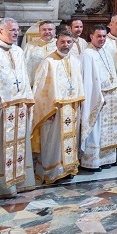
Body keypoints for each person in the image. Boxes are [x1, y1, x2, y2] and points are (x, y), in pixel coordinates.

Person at [0, 17, 36, 202]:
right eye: (12, 30)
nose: (16, 33)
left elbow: (24, 77)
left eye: (17, 30)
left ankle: (17, 183)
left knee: (19, 146)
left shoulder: (19, 51)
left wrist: (28, 101)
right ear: (0, 31)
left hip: (19, 107)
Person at [30, 30, 85, 184]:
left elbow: (79, 83)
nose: (65, 45)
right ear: (56, 42)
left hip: (72, 108)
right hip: (54, 110)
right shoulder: (48, 62)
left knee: (70, 140)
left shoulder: (75, 60)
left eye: (69, 42)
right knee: (53, 142)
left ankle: (68, 169)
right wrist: (48, 110)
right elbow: (40, 89)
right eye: (62, 42)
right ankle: (52, 171)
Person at [78, 24, 117, 172]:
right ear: (91, 37)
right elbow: (88, 81)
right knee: (96, 129)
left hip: (111, 95)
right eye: (99, 36)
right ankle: (92, 161)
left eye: (104, 36)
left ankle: (105, 159)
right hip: (98, 97)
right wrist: (98, 97)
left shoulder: (106, 52)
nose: (102, 39)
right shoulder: (87, 54)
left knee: (109, 130)